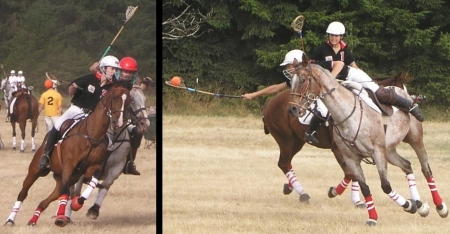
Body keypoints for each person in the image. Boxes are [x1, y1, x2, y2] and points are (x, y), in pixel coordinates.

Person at [242, 49, 425, 141]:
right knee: (323, 109)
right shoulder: (304, 76)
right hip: (338, 84)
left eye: (289, 66)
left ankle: (410, 105)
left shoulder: (317, 65)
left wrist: (331, 80)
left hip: (351, 76)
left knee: (377, 92)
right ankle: (313, 132)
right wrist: (254, 95)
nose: (288, 70)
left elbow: (338, 64)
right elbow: (277, 87)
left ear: (297, 63)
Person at [38, 55, 121, 169]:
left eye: (116, 69)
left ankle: (98, 166)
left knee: (109, 144)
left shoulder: (112, 86)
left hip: (92, 116)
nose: (115, 72)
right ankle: (46, 155)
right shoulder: (89, 78)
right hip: (76, 109)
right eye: (112, 69)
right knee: (57, 125)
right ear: (103, 68)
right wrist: (73, 88)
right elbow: (71, 90)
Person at [303, 21, 358, 144]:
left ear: (341, 36)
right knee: (323, 110)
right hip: (323, 86)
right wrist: (329, 65)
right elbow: (311, 64)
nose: (333, 38)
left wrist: (360, 74)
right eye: (331, 35)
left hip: (341, 84)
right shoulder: (322, 48)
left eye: (336, 36)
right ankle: (309, 133)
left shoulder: (345, 50)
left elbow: (353, 65)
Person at [90, 56, 144, 175]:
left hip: (124, 119)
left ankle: (129, 162)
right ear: (119, 70)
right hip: (106, 116)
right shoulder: (112, 81)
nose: (127, 74)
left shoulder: (133, 85)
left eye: (130, 72)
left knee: (138, 132)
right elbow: (99, 76)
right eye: (125, 71)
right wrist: (94, 70)